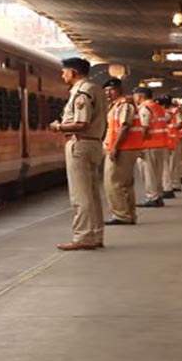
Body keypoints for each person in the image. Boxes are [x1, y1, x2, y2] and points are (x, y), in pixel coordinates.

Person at [47, 58, 106, 250]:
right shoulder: (96, 89)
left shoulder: (82, 92)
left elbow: (82, 124)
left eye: (64, 71)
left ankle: (83, 237)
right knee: (92, 194)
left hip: (80, 144)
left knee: (80, 194)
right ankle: (96, 234)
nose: (62, 75)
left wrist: (58, 127)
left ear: (73, 72)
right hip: (93, 143)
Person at [102, 78, 142, 225]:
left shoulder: (124, 105)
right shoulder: (117, 105)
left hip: (123, 148)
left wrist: (115, 147)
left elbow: (124, 126)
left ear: (119, 89)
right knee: (125, 184)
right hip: (126, 147)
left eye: (111, 90)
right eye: (106, 90)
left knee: (113, 183)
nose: (108, 93)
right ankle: (129, 214)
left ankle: (121, 215)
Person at [133, 87, 169, 208]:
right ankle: (158, 196)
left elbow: (144, 127)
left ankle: (152, 197)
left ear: (141, 96)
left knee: (148, 173)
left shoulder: (145, 108)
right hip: (161, 144)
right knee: (158, 172)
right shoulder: (158, 107)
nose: (134, 98)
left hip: (149, 145)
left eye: (135, 96)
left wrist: (138, 144)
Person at [158, 94, 182, 198]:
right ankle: (174, 184)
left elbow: (179, 124)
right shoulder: (175, 111)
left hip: (167, 141)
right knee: (173, 165)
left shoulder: (167, 112)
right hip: (173, 140)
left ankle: (168, 188)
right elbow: (180, 124)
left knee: (166, 166)